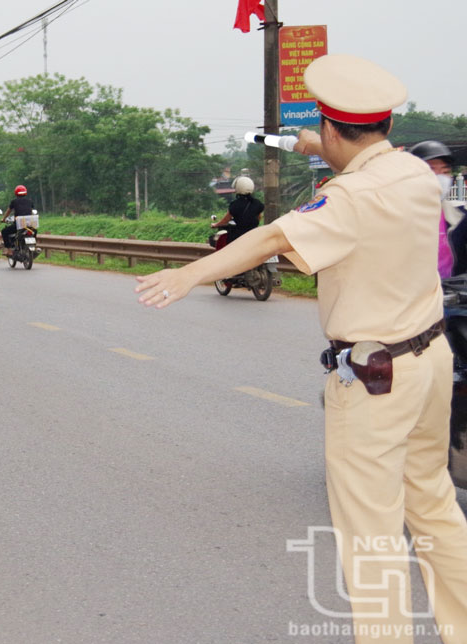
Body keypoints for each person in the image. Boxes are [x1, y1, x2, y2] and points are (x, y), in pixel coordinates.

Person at [136, 54, 467, 641]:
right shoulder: (417, 174)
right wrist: (302, 141)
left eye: (325, 133)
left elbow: (272, 236)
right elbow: (340, 148)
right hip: (431, 360)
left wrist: (189, 274)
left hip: (376, 375)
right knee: (434, 505)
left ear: (337, 131)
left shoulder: (351, 197)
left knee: (372, 530)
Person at [410, 140, 456, 278]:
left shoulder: (458, 215)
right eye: (431, 170)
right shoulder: (394, 213)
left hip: (450, 289)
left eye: (445, 171)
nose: (440, 176)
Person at [210, 176, 263, 244]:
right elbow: (259, 217)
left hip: (238, 236)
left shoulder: (235, 204)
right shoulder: (257, 203)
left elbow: (226, 220)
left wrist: (216, 225)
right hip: (253, 234)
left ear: (238, 188)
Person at [2, 185, 33, 253]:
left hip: (19, 225)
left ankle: (9, 249)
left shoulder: (14, 201)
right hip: (29, 225)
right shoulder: (30, 201)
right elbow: (31, 212)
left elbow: (8, 211)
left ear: (16, 193)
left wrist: (3, 219)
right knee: (34, 232)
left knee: (4, 231)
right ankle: (33, 245)